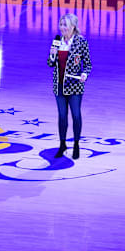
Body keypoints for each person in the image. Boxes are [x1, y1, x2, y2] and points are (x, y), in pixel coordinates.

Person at [47, 13, 92, 159]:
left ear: (73, 26)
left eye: (65, 25)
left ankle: (77, 144)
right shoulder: (57, 41)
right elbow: (50, 63)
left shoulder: (81, 42)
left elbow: (88, 64)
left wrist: (85, 74)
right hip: (59, 86)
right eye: (61, 24)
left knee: (76, 115)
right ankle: (62, 144)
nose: (62, 28)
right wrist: (53, 54)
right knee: (62, 116)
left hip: (74, 87)